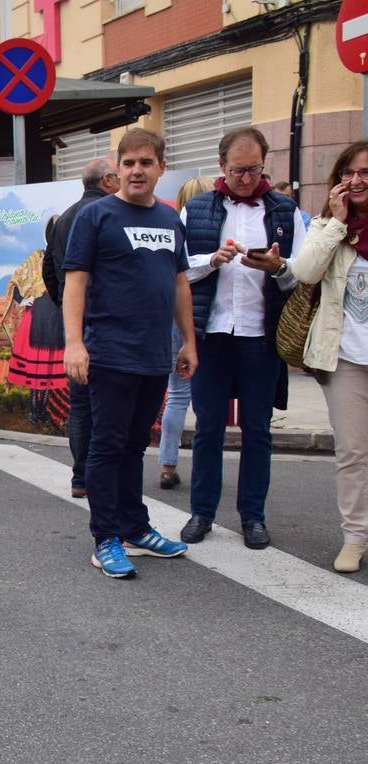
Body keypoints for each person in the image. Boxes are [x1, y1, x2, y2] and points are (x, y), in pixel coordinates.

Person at [62, 129, 196, 579]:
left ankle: (135, 528)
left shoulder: (170, 219)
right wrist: (74, 343)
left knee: (135, 446)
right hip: (110, 353)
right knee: (107, 446)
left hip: (155, 355)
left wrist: (188, 341)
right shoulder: (96, 216)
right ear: (116, 169)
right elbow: (75, 283)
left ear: (160, 167)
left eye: (146, 162)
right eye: (129, 163)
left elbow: (179, 283)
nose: (137, 170)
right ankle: (106, 538)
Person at [178, 127, 306, 550]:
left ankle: (253, 517)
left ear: (264, 165)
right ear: (221, 166)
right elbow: (178, 270)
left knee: (257, 429)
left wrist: (277, 268)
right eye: (238, 170)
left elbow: (301, 279)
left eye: (254, 170)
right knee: (209, 428)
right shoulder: (195, 209)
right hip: (211, 334)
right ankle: (202, 513)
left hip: (260, 336)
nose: (246, 178)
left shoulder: (285, 211)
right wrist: (211, 260)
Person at [291, 140, 368, 573]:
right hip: (347, 359)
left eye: (365, 173)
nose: (355, 181)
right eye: (348, 172)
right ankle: (355, 536)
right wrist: (339, 224)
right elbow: (304, 271)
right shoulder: (327, 225)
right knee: (353, 452)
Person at [43, 158, 119, 498]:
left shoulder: (64, 219)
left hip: (74, 324)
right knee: (110, 401)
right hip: (108, 322)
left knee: (81, 403)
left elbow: (49, 270)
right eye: (118, 174)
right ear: (106, 180)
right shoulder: (111, 214)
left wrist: (64, 304)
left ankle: (80, 477)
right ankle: (104, 474)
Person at [157, 175, 214, 490]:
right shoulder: (214, 230)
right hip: (206, 317)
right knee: (207, 397)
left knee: (177, 395)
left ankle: (168, 464)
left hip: (173, 315)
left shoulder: (170, 227)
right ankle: (207, 467)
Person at [5, 220, 65, 427]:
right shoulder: (35, 257)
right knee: (37, 369)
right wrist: (22, 299)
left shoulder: (68, 253)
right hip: (38, 317)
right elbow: (15, 282)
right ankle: (34, 411)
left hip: (56, 318)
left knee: (48, 369)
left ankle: (43, 411)